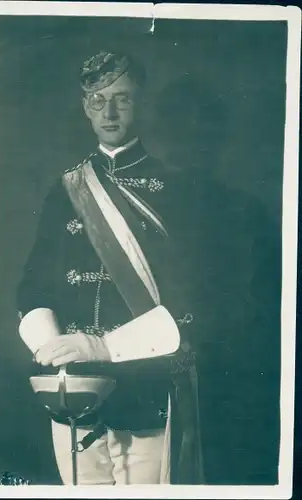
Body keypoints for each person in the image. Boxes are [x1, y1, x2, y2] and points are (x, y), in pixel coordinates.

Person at [17, 51, 281, 485]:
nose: (110, 111)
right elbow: (33, 284)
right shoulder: (65, 188)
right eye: (98, 99)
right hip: (72, 392)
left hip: (145, 390)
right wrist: (52, 352)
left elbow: (198, 298)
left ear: (141, 104)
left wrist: (103, 348)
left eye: (122, 98)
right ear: (86, 107)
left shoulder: (183, 191)